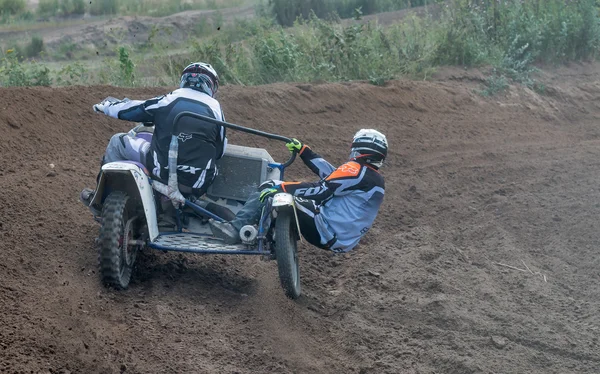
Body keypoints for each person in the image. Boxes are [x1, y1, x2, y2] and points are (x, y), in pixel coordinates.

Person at [209, 129, 387, 253]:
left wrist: (281, 187)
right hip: (342, 241)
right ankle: (268, 230)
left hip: (325, 230)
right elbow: (334, 177)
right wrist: (304, 152)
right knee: (284, 192)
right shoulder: (373, 178)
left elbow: (322, 190)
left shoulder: (355, 169)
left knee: (271, 187)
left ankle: (236, 228)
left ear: (358, 148)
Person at [80, 62, 227, 206]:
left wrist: (105, 106)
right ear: (211, 85)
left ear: (185, 80)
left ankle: (103, 200)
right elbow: (219, 152)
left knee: (117, 141)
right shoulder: (216, 110)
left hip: (161, 173)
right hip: (196, 183)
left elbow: (133, 109)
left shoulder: (171, 99)